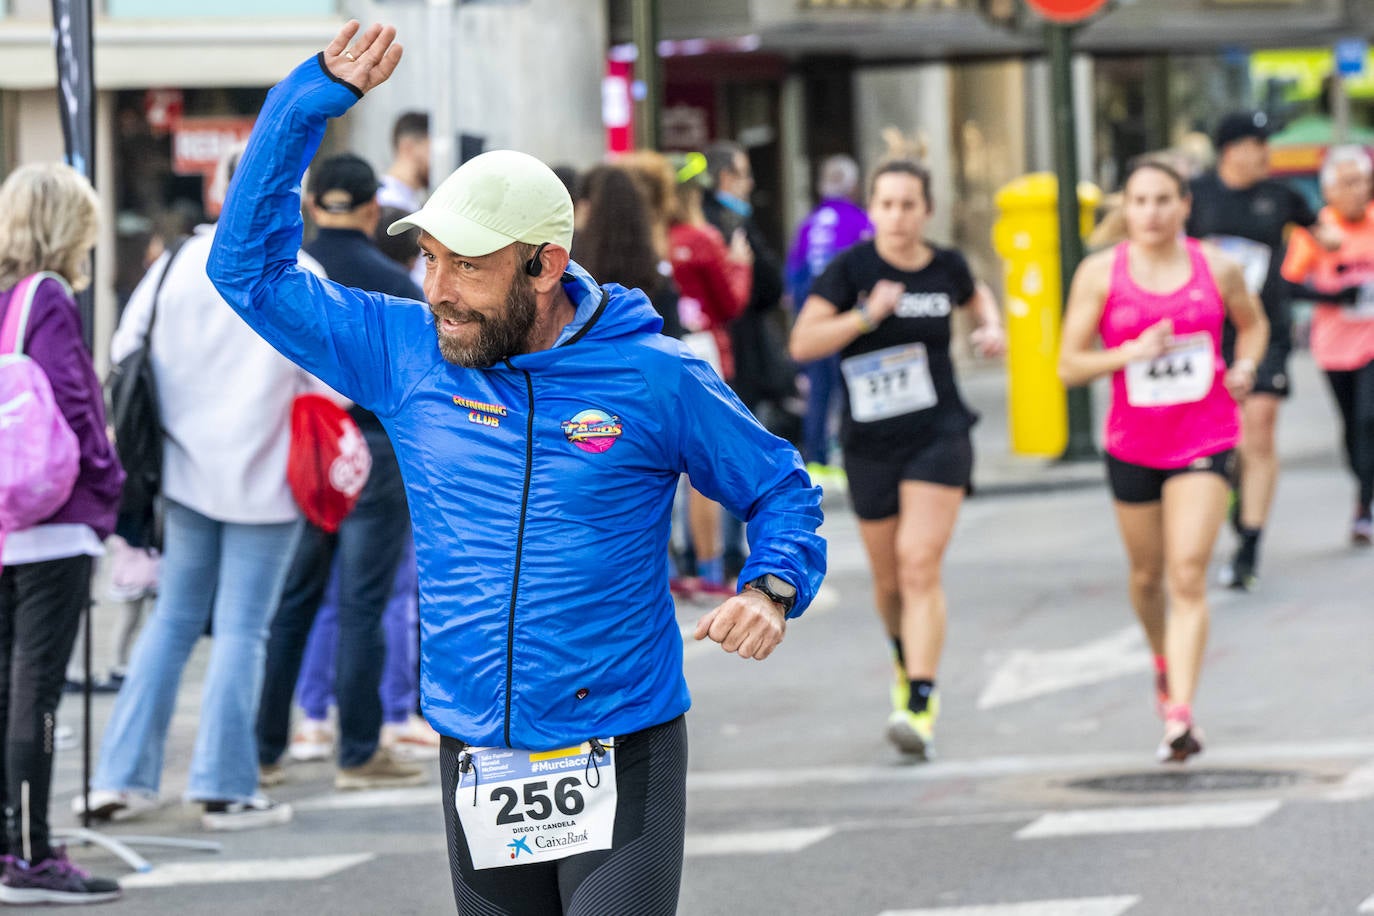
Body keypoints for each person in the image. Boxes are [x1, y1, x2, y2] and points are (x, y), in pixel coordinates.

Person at [207, 22, 824, 916]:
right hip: (478, 744)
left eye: (467, 265)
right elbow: (249, 273)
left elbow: (780, 486)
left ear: (546, 267)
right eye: (429, 258)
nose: (438, 288)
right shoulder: (407, 351)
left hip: (617, 736)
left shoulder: (655, 377)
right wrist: (305, 103)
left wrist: (770, 586)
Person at [86, 143, 321, 832]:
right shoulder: (298, 273)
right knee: (245, 630)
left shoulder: (179, 261)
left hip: (183, 471)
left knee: (172, 620)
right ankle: (223, 785)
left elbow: (125, 351)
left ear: (222, 192)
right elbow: (330, 384)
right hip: (268, 477)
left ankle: (119, 778)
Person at [789, 159, 1004, 760]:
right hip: (870, 443)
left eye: (909, 205)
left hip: (939, 432)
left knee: (918, 565)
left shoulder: (945, 266)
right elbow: (803, 343)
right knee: (888, 582)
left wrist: (990, 327)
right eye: (887, 204)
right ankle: (905, 659)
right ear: (873, 210)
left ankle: (920, 698)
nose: (898, 216)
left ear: (926, 210)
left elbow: (976, 296)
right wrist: (865, 315)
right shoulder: (851, 271)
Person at [1059, 159, 1267, 762]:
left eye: (1162, 200)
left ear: (1184, 206)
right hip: (1133, 443)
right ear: (1126, 208)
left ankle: (1180, 712)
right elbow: (1068, 364)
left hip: (1205, 435)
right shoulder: (1100, 274)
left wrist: (1247, 366)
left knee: (1187, 572)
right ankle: (1161, 659)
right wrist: (1127, 353)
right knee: (1148, 577)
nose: (1150, 212)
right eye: (1139, 201)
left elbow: (1254, 326)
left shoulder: (1216, 267)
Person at [256, 153, 426, 790]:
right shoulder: (396, 281)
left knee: (294, 600)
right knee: (363, 603)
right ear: (371, 210)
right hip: (376, 452)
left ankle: (264, 748)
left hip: (307, 449)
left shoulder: (296, 275)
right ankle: (358, 752)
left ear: (310, 204)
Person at [0, 162, 124, 904]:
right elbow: (76, 405)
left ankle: (10, 840)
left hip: (9, 519)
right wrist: (109, 482)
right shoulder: (47, 297)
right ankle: (29, 852)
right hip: (51, 520)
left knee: (8, 684)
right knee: (36, 692)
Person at [1186, 111, 1321, 590]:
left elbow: (1326, 235)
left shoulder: (1282, 197)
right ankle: (1235, 500)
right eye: (1257, 142)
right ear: (1231, 149)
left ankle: (1250, 544)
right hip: (1204, 333)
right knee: (1227, 441)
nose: (1266, 152)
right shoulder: (1195, 196)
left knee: (1259, 426)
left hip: (1264, 327)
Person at [1280, 145, 1374, 545]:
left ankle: (1364, 506)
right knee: (1353, 427)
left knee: (1370, 420)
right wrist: (1335, 296)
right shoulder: (1317, 231)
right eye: (1347, 183)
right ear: (1329, 190)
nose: (1357, 190)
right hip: (1334, 345)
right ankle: (1363, 486)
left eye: (1363, 182)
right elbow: (1288, 283)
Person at [786, 154, 873, 475]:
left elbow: (792, 277)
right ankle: (854, 459)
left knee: (818, 391)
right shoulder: (861, 222)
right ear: (852, 186)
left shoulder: (809, 223)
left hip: (809, 321)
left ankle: (817, 460)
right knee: (851, 388)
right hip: (847, 322)